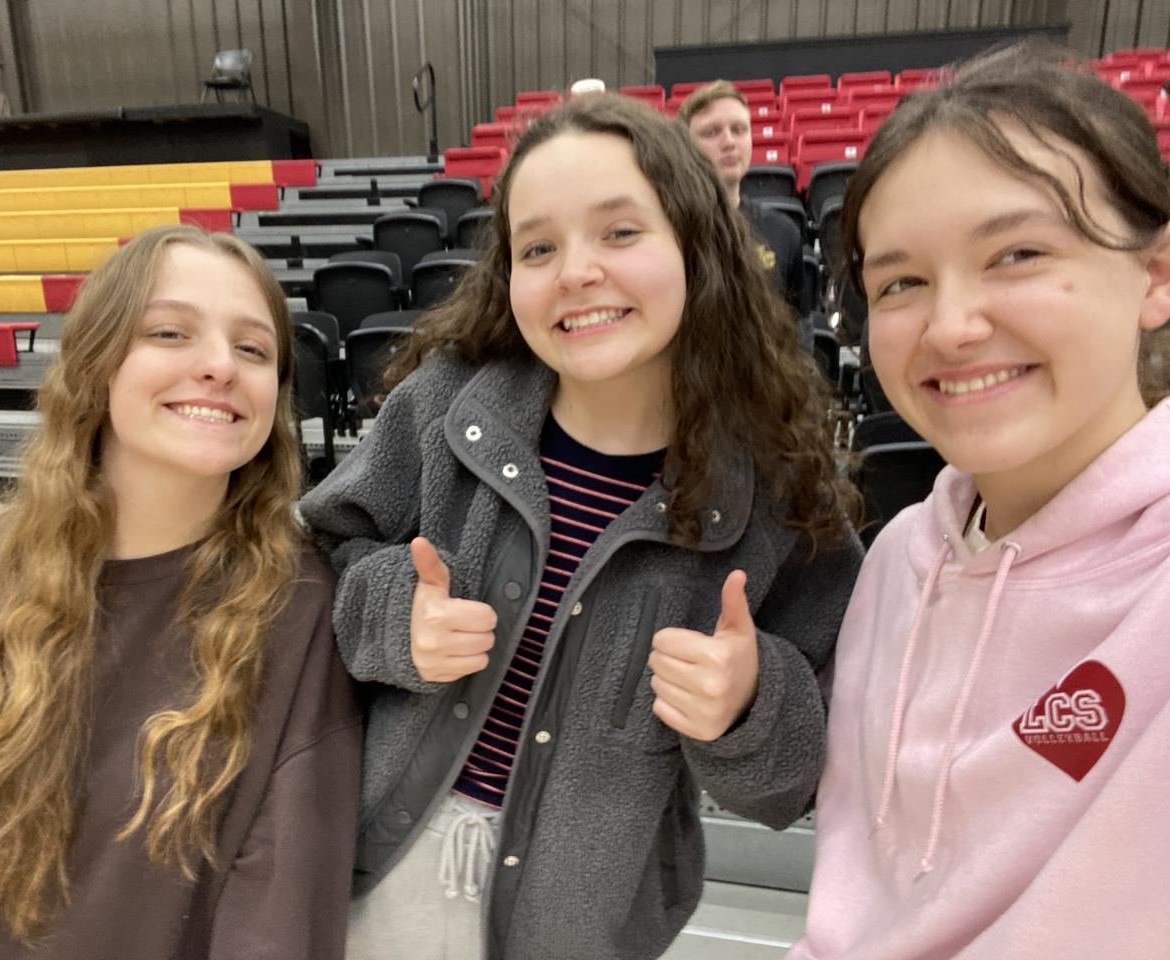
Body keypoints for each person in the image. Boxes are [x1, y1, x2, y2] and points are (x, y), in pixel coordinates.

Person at [302, 92, 862, 960]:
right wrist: (389, 614)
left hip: (582, 929)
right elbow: (317, 558)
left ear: (697, 245)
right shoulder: (443, 404)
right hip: (375, 883)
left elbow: (800, 771)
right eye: (538, 248)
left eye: (620, 232)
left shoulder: (779, 492)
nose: (575, 271)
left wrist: (749, 702)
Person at [791, 45, 1170, 959]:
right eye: (902, 283)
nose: (953, 327)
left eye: (1018, 254)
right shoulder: (897, 558)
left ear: (1156, 276)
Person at [0, 226, 362, 959]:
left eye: (253, 349)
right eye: (170, 332)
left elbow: (278, 919)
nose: (220, 366)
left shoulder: (300, 612)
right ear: (96, 363)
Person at [679, 80, 804, 309]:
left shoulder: (784, 232)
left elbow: (798, 322)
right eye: (711, 132)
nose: (729, 142)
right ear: (685, 146)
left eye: (738, 130)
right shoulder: (670, 233)